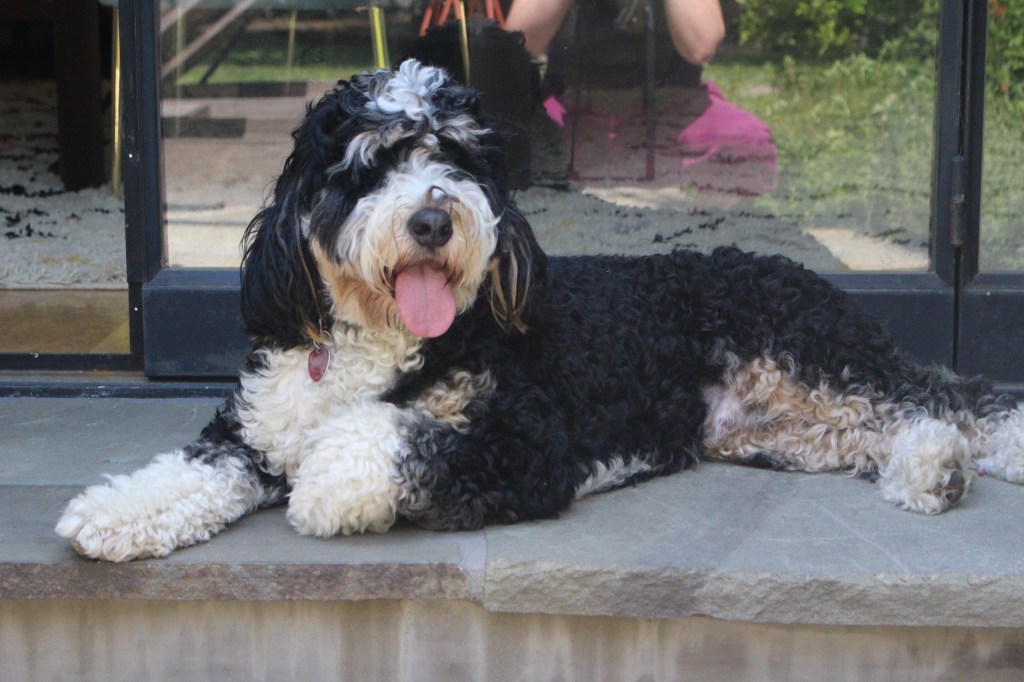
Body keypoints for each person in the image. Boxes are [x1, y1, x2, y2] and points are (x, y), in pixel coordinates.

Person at [505, 0, 776, 196]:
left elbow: (701, 46)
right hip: (573, 112)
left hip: (671, 111)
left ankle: (709, 229)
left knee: (745, 142)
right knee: (509, 143)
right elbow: (518, 44)